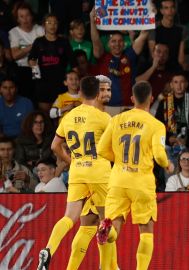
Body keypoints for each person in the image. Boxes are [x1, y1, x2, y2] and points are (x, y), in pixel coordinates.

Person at [37, 76, 115, 270]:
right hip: (99, 172)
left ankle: (48, 249)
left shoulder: (68, 117)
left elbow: (55, 146)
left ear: (80, 93)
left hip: (78, 171)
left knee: (70, 217)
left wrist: (72, 161)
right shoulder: (104, 117)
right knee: (106, 224)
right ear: (97, 93)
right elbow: (115, 149)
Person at [95, 81, 173, 270]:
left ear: (132, 99)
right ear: (151, 99)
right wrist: (168, 164)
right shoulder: (155, 124)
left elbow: (101, 149)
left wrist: (121, 160)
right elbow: (159, 155)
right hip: (142, 182)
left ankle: (109, 231)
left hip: (118, 179)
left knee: (114, 225)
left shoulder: (116, 120)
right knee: (146, 231)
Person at [90, 9, 150, 109]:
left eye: (120, 41)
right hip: (107, 107)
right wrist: (92, 20)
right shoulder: (103, 57)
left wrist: (149, 14)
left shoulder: (130, 55)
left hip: (129, 106)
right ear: (108, 44)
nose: (117, 44)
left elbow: (144, 35)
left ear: (124, 43)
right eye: (113, 41)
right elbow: (95, 39)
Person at [28, 14, 73, 113]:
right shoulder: (38, 41)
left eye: (55, 23)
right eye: (49, 22)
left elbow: (73, 62)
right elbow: (31, 59)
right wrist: (33, 64)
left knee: (61, 114)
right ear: (44, 25)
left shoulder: (64, 42)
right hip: (43, 84)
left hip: (60, 83)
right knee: (45, 115)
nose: (52, 25)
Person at [8, 2, 44, 102]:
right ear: (17, 18)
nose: (25, 19)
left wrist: (24, 49)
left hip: (40, 67)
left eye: (27, 15)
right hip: (23, 70)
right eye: (21, 16)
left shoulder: (40, 29)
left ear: (32, 16)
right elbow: (15, 55)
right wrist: (33, 46)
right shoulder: (14, 32)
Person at [148, 0, 186, 71]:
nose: (170, 11)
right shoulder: (153, 28)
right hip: (156, 66)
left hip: (173, 67)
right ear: (161, 11)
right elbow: (152, 55)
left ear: (175, 9)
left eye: (172, 7)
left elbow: (181, 59)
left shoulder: (181, 29)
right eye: (166, 8)